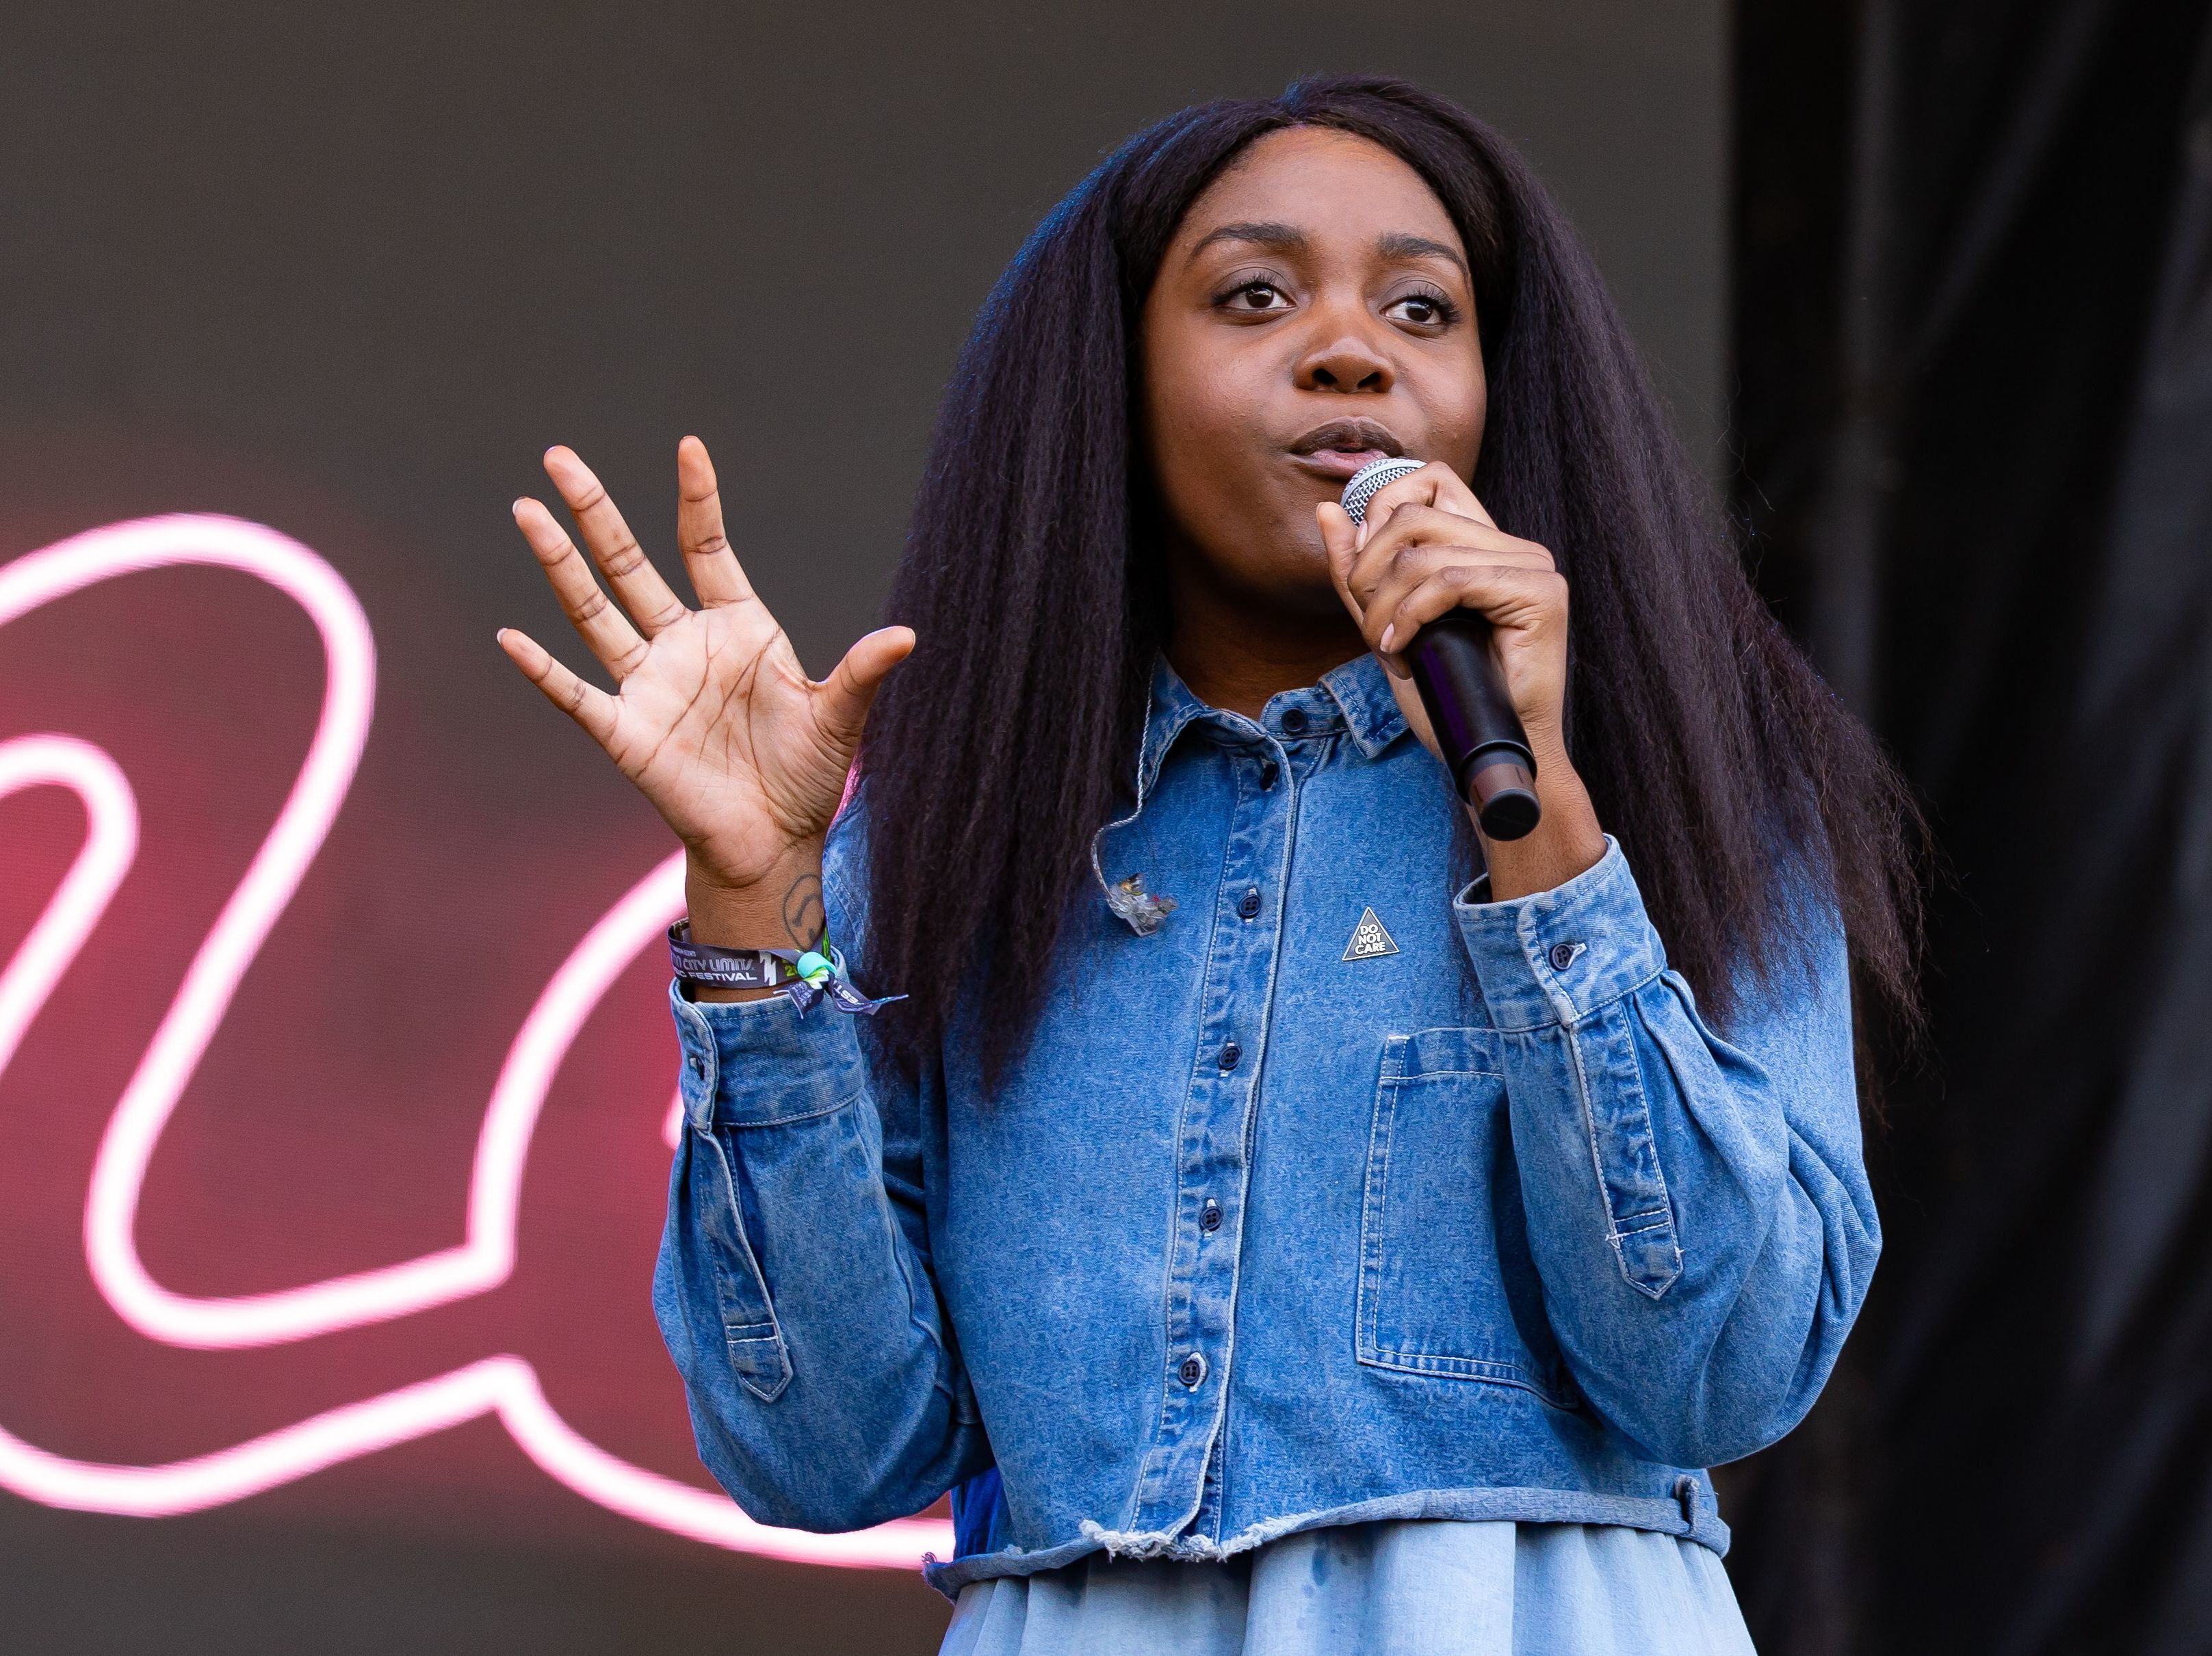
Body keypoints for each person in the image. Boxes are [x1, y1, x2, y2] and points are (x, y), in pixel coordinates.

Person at [495, 75, 1918, 1656]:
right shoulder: (962, 826)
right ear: (1112, 383)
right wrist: (758, 893)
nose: (1348, 347)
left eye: (1422, 309)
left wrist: (1548, 831)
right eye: (1255, 294)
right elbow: (820, 1452)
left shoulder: (1692, 783)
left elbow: (1723, 1365)